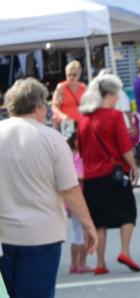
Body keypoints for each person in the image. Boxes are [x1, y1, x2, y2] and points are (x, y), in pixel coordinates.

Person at [0, 78, 98, 298]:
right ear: (37, 107)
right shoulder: (52, 139)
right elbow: (70, 189)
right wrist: (88, 225)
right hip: (42, 236)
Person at [77, 74, 140, 275]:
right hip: (114, 174)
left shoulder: (84, 119)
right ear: (109, 95)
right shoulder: (114, 116)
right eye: (115, 95)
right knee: (128, 213)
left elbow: (81, 150)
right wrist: (134, 168)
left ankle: (100, 263)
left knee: (99, 220)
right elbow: (124, 147)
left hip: (92, 178)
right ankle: (125, 251)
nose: (116, 99)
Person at [51, 60, 87, 130]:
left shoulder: (83, 88)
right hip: (65, 123)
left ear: (79, 75)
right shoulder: (61, 87)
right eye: (69, 75)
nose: (71, 77)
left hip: (80, 122)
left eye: (74, 75)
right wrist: (62, 116)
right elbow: (54, 107)